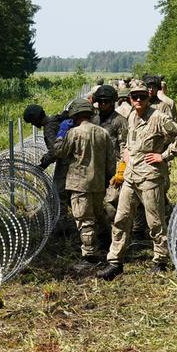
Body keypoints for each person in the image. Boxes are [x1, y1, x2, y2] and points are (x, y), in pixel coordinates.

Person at [97, 82, 177, 280]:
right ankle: (115, 261)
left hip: (150, 176)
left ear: (148, 97)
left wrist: (164, 156)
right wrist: (126, 154)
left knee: (154, 221)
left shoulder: (158, 118)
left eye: (142, 97)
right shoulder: (131, 116)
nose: (138, 100)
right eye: (134, 97)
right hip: (131, 175)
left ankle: (160, 260)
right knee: (121, 218)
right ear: (129, 98)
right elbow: (129, 142)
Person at [52, 98, 116, 263]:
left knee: (84, 220)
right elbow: (111, 161)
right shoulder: (103, 132)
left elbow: (61, 153)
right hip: (98, 183)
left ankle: (89, 255)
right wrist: (108, 179)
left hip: (79, 184)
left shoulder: (73, 133)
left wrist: (60, 137)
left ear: (74, 115)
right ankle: (108, 243)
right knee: (98, 215)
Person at [93, 84, 129, 245]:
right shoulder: (93, 119)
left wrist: (121, 169)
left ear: (113, 102)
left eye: (105, 102)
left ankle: (119, 237)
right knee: (96, 206)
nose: (102, 105)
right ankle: (104, 236)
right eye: (99, 102)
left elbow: (124, 147)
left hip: (114, 168)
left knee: (111, 203)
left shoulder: (119, 121)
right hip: (95, 168)